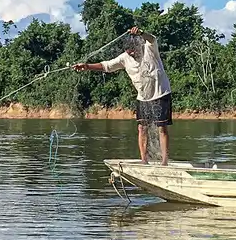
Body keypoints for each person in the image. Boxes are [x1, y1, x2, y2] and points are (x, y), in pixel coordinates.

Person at [74, 26, 172, 164]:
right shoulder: (124, 58)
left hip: (160, 93)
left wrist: (141, 33)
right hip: (143, 97)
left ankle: (164, 161)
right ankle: (144, 160)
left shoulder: (149, 49)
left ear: (139, 46)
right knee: (142, 128)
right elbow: (107, 66)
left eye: (134, 52)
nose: (133, 55)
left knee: (161, 128)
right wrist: (87, 66)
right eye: (130, 53)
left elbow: (152, 39)